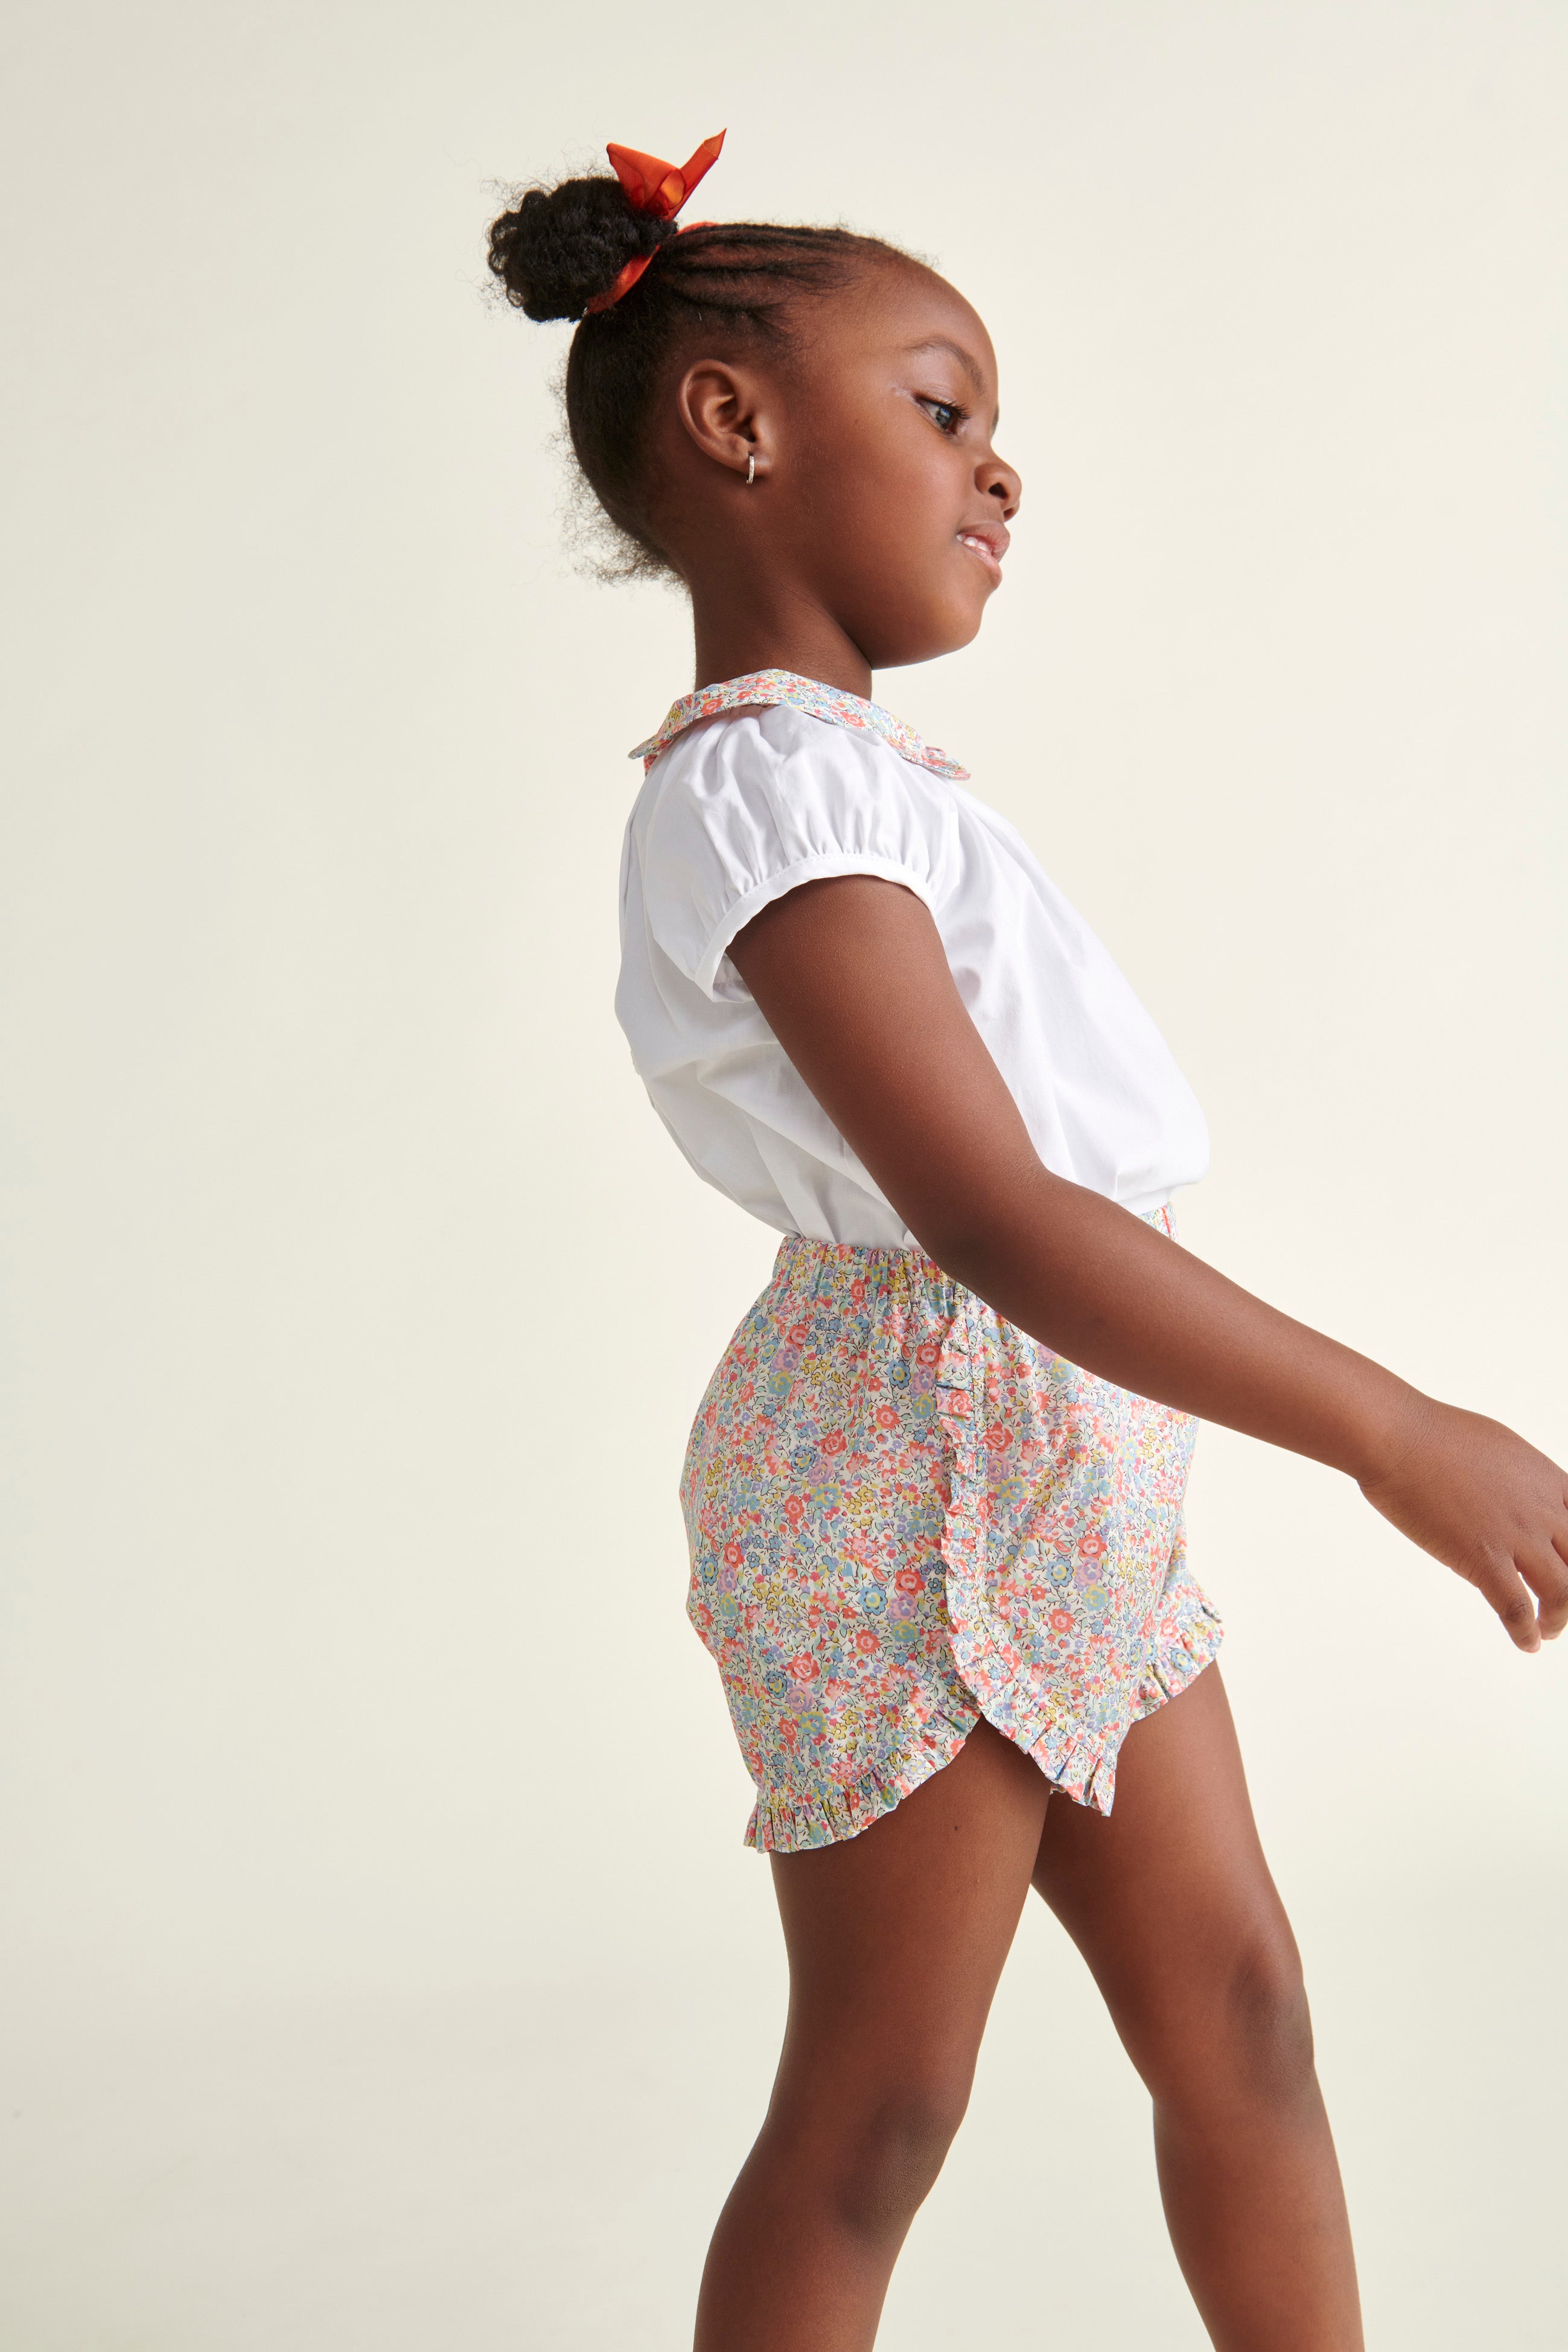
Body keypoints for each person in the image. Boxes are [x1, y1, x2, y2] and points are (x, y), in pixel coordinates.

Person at [487, 133, 1568, 2352]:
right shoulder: (764, 791)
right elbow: (988, 1215)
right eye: (945, 405)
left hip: (1059, 1448)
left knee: (1242, 2005)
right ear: (736, 423)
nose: (1003, 472)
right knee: (883, 2099)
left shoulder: (867, 777)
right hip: (911, 1462)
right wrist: (1389, 1429)